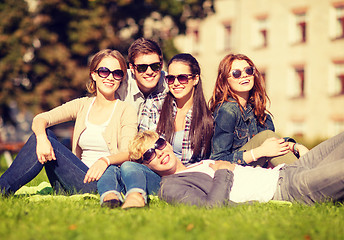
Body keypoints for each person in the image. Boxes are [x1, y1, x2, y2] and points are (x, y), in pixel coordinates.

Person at [0, 49, 138, 206]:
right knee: (46, 135)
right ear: (93, 74)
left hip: (102, 184)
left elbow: (128, 153)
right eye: (104, 71)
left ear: (121, 78)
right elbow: (41, 118)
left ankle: (2, 188)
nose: (110, 77)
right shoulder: (82, 105)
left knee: (49, 141)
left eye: (117, 73)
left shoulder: (125, 110)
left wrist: (105, 161)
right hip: (74, 177)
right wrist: (41, 138)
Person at [129, 130, 344, 207]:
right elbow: (211, 209)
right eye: (148, 155)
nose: (158, 153)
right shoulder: (170, 188)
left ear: (166, 142)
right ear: (147, 164)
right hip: (289, 189)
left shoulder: (197, 163)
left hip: (289, 170)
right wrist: (223, 171)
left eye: (158, 144)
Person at [118, 53, 214, 208]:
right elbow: (141, 146)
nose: (176, 83)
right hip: (158, 176)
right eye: (170, 78)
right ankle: (134, 198)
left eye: (182, 78)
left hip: (189, 182)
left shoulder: (207, 118)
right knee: (127, 167)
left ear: (195, 79)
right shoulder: (155, 105)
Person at [209, 53, 299, 167]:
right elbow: (217, 159)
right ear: (225, 81)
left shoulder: (259, 112)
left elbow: (273, 146)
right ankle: (303, 177)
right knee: (266, 136)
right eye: (236, 73)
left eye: (248, 71)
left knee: (326, 149)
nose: (244, 75)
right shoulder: (227, 111)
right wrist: (259, 152)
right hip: (234, 174)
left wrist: (295, 147)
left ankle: (307, 174)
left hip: (258, 172)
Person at [115, 37, 168, 116]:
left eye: (155, 66)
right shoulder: (119, 84)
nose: (149, 72)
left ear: (161, 65)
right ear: (132, 68)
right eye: (142, 67)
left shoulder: (171, 83)